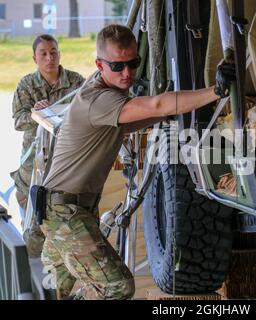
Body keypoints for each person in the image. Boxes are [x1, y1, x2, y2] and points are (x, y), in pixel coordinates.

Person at [39, 24, 236, 300]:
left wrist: (171, 110)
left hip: (67, 209)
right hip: (64, 212)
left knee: (54, 292)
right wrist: (216, 91)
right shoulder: (99, 100)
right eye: (117, 66)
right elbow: (156, 106)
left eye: (133, 63)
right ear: (99, 64)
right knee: (117, 287)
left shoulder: (105, 94)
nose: (127, 73)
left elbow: (142, 118)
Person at [10, 34, 85, 257]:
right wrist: (37, 113)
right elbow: (18, 121)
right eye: (43, 53)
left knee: (63, 215)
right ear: (35, 58)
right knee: (33, 222)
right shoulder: (27, 85)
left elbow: (87, 112)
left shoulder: (75, 82)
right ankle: (32, 272)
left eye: (53, 52)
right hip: (33, 163)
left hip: (65, 160)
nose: (49, 58)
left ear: (59, 54)